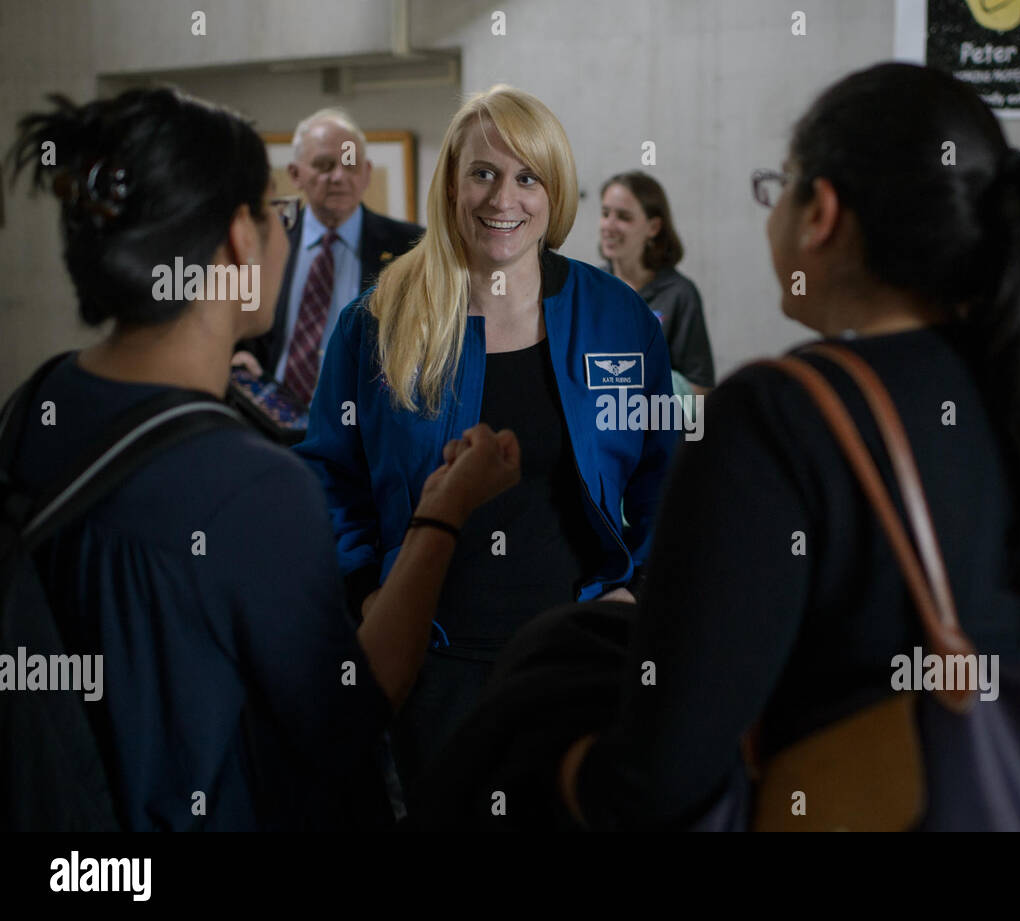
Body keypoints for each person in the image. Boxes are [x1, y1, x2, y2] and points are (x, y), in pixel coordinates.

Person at [545, 62, 1020, 829]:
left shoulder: (775, 416)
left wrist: (547, 752)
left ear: (820, 211)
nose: (771, 214)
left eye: (778, 186)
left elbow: (659, 777)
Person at [3, 88, 520, 830]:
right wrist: (443, 513)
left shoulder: (36, 402)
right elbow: (347, 714)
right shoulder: (252, 485)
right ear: (241, 240)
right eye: (276, 212)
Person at [293, 85, 678, 800]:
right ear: (451, 183)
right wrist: (368, 590)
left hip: (576, 653)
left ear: (554, 190)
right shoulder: (375, 320)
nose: (506, 195)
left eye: (528, 176)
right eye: (483, 173)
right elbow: (328, 473)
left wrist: (638, 587)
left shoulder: (619, 319)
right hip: (432, 660)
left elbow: (669, 475)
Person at [231, 108, 424, 405]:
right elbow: (235, 324)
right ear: (295, 174)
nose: (338, 177)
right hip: (272, 417)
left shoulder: (411, 247)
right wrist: (238, 354)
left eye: (351, 165)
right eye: (324, 165)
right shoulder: (265, 239)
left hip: (360, 424)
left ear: (367, 173)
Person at [600, 171, 715, 394]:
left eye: (623, 217)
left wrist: (638, 382)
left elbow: (701, 390)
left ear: (653, 227)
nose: (609, 226)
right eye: (605, 213)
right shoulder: (589, 288)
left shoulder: (680, 294)